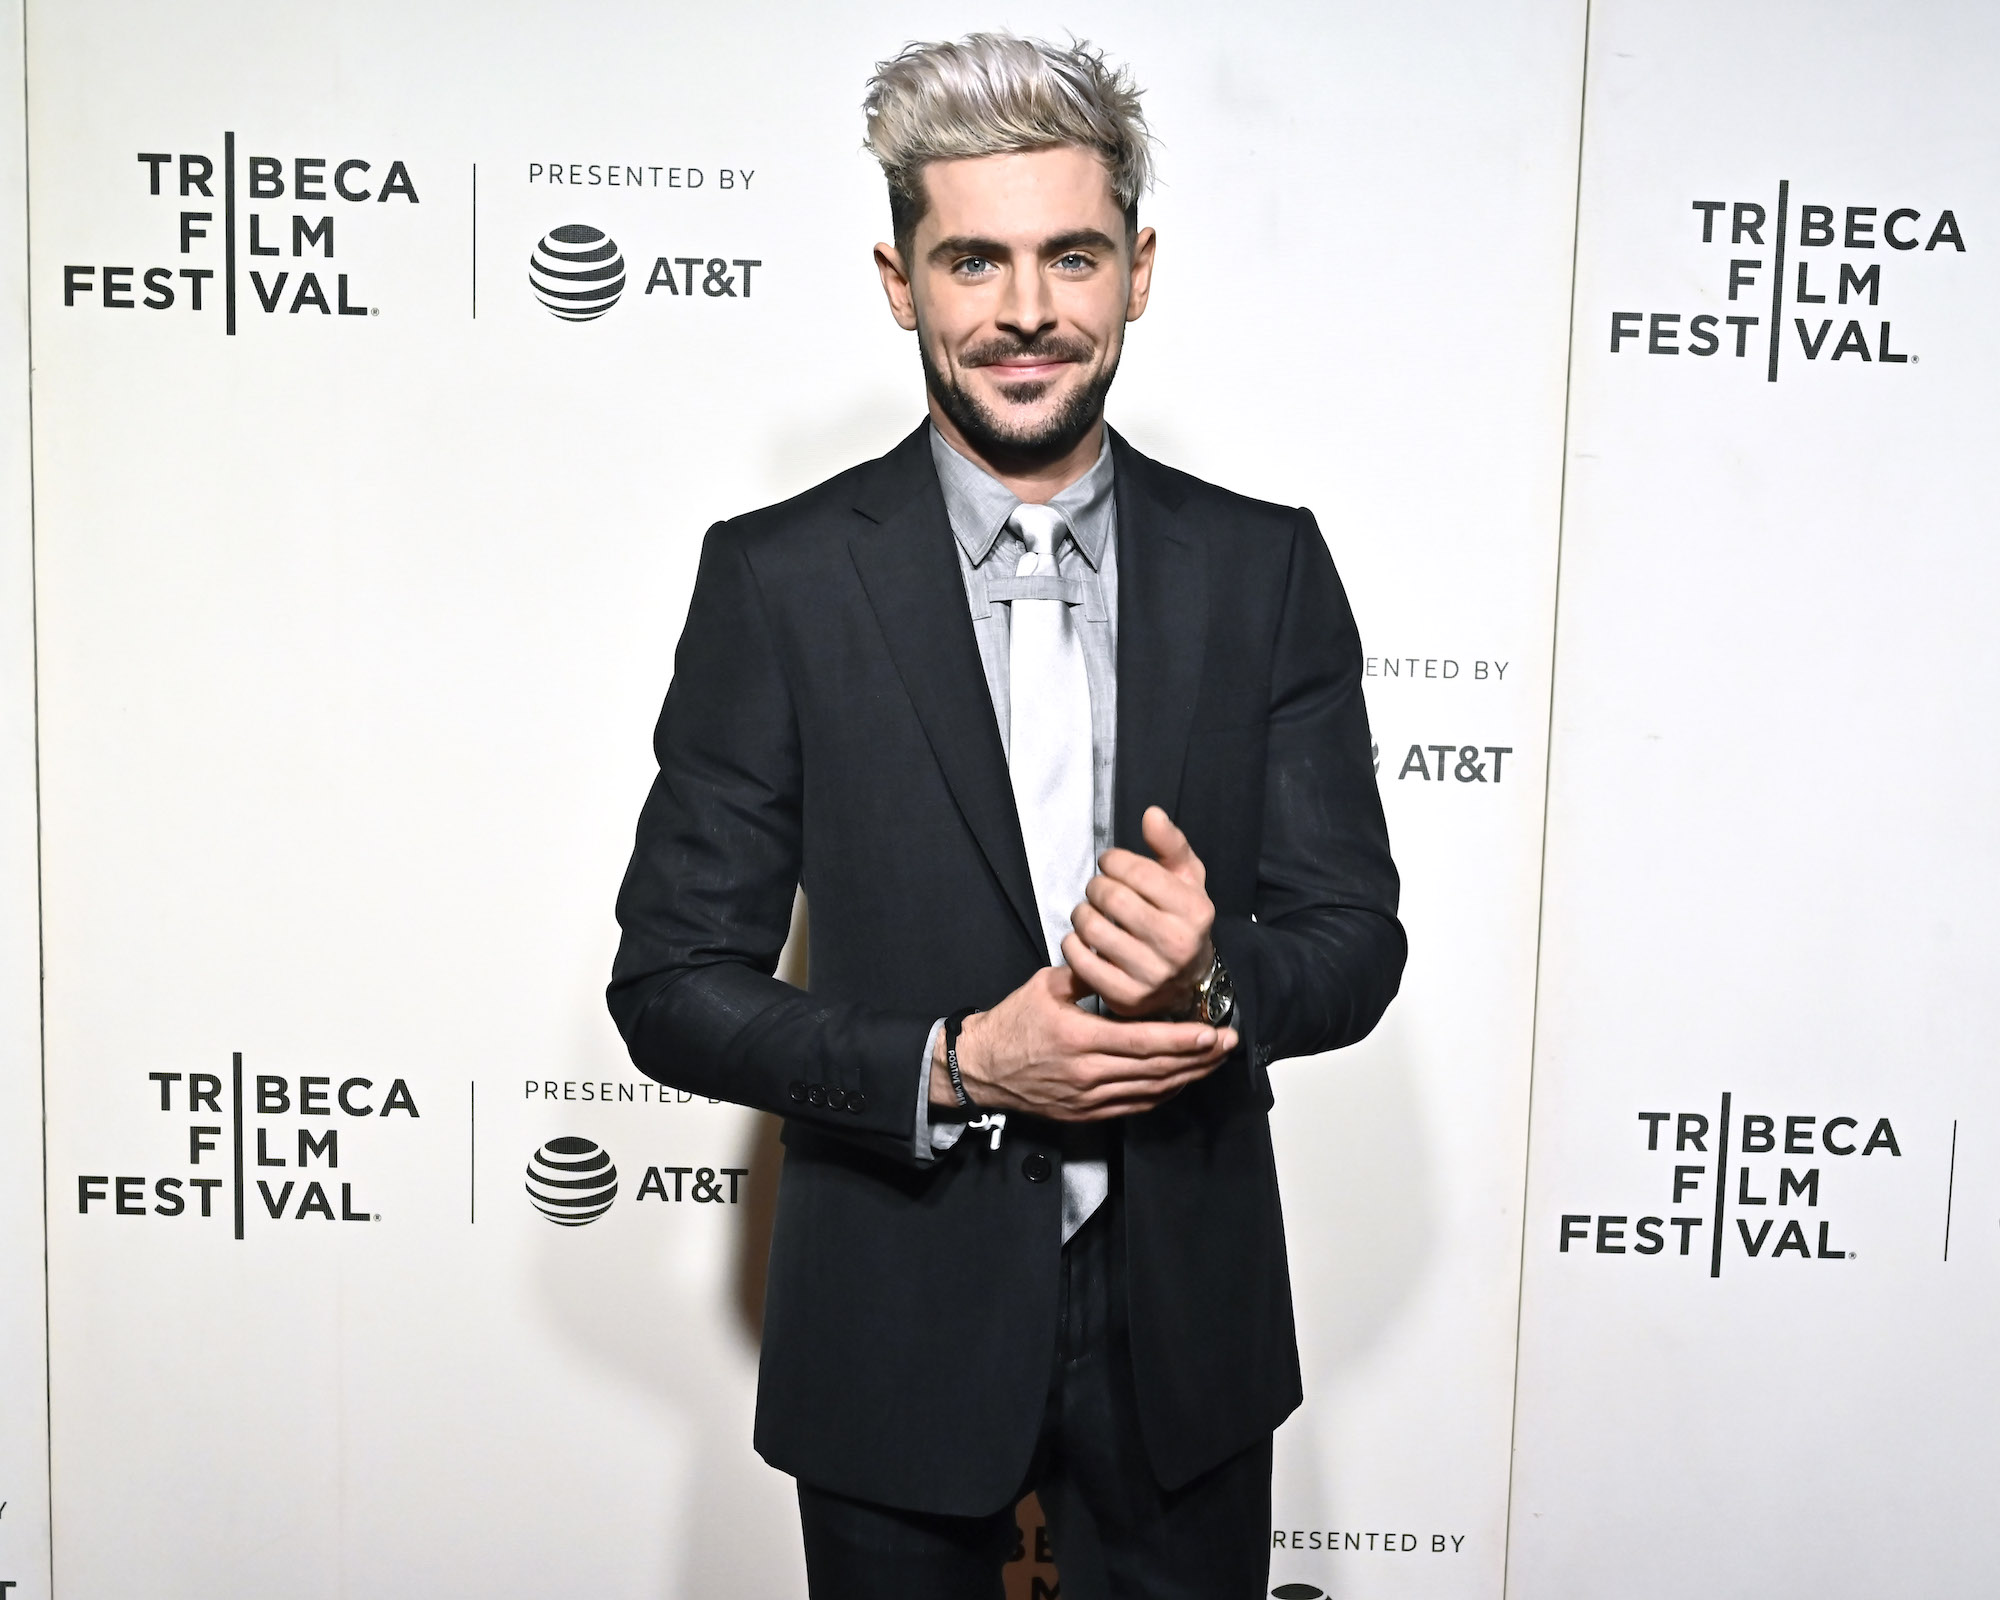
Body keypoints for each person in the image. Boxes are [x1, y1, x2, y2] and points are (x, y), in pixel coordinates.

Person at [608, 32, 1404, 1600]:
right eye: (974, 259)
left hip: (1188, 1330)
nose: (1027, 309)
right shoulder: (778, 580)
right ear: (902, 280)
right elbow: (671, 987)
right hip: (893, 1323)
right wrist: (959, 1064)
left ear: (1138, 270)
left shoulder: (1268, 570)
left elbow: (1354, 944)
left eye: (1071, 256)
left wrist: (1217, 979)